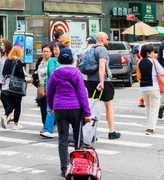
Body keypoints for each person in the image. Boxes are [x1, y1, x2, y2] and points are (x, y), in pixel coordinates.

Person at [47, 48, 92, 178]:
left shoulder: (55, 73)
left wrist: (51, 106)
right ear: (72, 59)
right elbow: (82, 94)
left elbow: (50, 92)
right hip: (75, 108)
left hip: (60, 108)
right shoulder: (76, 72)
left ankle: (64, 168)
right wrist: (87, 112)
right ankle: (79, 166)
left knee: (63, 139)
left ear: (59, 59)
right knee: (79, 138)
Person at [83, 32, 121, 140]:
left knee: (92, 107)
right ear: (102, 39)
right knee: (109, 106)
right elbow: (101, 66)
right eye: (107, 39)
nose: (108, 41)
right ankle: (111, 131)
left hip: (90, 81)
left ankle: (91, 133)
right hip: (102, 81)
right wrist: (102, 82)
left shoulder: (89, 50)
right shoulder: (102, 50)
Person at [137, 44, 164, 134]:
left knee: (148, 107)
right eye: (153, 52)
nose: (154, 53)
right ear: (148, 53)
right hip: (154, 87)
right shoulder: (153, 61)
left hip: (143, 88)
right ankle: (150, 128)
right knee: (154, 108)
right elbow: (162, 72)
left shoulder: (139, 62)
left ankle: (149, 125)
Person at [37, 44, 60, 138]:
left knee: (58, 110)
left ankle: (55, 127)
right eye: (54, 49)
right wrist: (47, 89)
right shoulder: (51, 61)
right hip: (47, 88)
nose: (55, 51)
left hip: (60, 89)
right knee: (48, 109)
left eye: (56, 49)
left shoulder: (64, 61)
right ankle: (48, 129)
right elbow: (49, 76)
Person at [0, 46, 26, 130]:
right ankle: (15, 123)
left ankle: (5, 115)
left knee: (11, 103)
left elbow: (4, 72)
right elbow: (21, 75)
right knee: (17, 105)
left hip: (8, 86)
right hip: (17, 86)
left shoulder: (7, 61)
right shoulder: (18, 62)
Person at [0, 40, 13, 112]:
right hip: (1, 80)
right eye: (1, 45)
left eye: (3, 45)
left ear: (7, 46)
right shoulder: (3, 56)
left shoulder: (11, 56)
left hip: (7, 80)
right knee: (4, 98)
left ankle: (9, 113)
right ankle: (9, 113)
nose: (1, 47)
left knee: (3, 98)